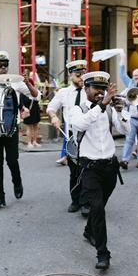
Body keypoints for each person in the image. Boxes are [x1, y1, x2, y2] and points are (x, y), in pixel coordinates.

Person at [69, 71, 130, 270]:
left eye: (103, 89)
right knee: (96, 208)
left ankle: (89, 231)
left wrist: (121, 112)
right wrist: (102, 105)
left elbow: (125, 131)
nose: (100, 92)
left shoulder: (110, 109)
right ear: (86, 88)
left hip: (110, 167)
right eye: (96, 88)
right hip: (90, 168)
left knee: (99, 207)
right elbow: (80, 124)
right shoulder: (77, 109)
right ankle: (103, 253)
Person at [0, 50, 39, 211]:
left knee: (11, 160)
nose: (3, 68)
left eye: (5, 65)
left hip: (11, 129)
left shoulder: (16, 83)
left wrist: (27, 82)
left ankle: (17, 181)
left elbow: (36, 96)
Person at [47, 60, 89, 215]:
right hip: (71, 136)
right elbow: (51, 107)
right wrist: (53, 117)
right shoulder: (63, 93)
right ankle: (75, 200)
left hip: (88, 135)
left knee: (87, 169)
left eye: (83, 74)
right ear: (70, 75)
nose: (81, 78)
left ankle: (86, 203)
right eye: (77, 75)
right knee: (74, 171)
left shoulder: (89, 90)